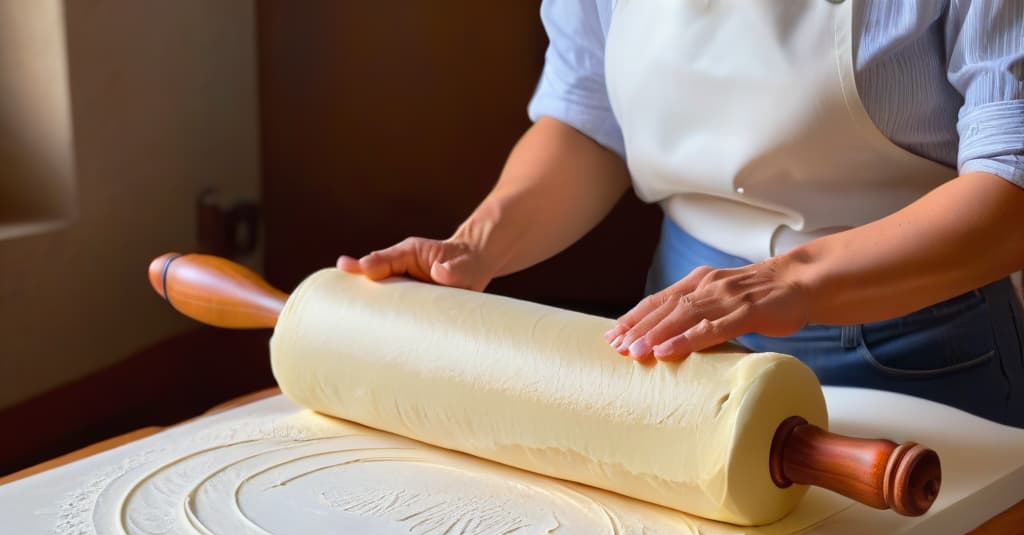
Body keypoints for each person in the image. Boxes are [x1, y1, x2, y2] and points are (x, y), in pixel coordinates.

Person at [338, 0, 1024, 427]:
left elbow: (1009, 191)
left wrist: (794, 281)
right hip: (675, 340)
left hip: (909, 352)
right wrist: (479, 244)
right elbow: (588, 117)